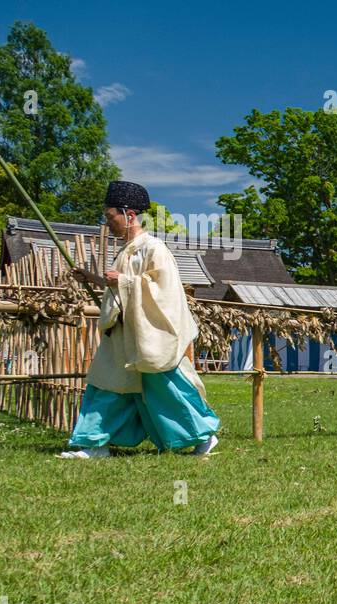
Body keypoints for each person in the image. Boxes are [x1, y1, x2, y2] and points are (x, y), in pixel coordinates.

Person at [59, 181, 220, 458]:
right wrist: (95, 279)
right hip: (123, 334)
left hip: (148, 336)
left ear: (129, 215)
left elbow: (164, 290)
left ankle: (204, 437)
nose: (108, 223)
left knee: (168, 389)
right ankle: (96, 444)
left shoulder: (154, 249)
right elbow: (123, 287)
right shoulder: (127, 249)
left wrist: (122, 280)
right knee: (108, 384)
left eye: (111, 217)